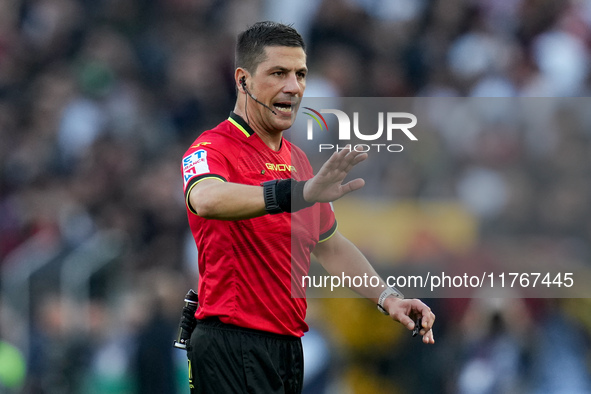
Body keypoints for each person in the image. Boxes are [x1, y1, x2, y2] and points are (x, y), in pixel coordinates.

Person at [181, 21, 435, 394]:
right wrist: (296, 193)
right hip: (231, 345)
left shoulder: (298, 161)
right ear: (243, 80)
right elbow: (205, 199)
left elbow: (329, 245)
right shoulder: (214, 147)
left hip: (287, 348)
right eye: (278, 73)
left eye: (300, 74)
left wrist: (387, 298)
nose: (293, 87)